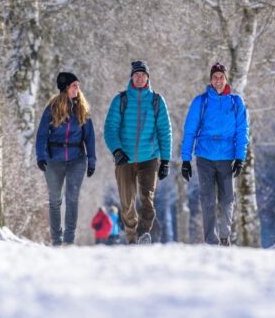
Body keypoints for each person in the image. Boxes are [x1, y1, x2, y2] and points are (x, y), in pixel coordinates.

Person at [180, 62, 249, 246]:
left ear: (226, 79)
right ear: (210, 80)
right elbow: (189, 131)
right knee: (208, 200)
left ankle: (225, 236)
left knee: (227, 200)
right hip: (205, 158)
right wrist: (185, 160)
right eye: (215, 77)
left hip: (227, 158)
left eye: (221, 77)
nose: (218, 81)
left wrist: (240, 158)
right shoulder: (200, 102)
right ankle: (211, 240)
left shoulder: (236, 102)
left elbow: (242, 131)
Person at [103, 61, 172, 244]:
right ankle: (132, 238)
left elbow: (164, 131)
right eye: (136, 75)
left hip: (149, 158)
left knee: (147, 202)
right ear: (132, 77)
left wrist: (165, 160)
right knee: (127, 204)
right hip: (124, 159)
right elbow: (110, 128)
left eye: (143, 75)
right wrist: (117, 150)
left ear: (148, 77)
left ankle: (143, 234)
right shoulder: (121, 100)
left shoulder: (157, 101)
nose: (140, 78)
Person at [35, 72, 96, 246]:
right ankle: (56, 240)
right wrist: (41, 156)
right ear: (65, 88)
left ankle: (68, 240)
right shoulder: (52, 108)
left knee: (72, 198)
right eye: (74, 85)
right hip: (54, 160)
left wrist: (91, 161)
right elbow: (41, 135)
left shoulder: (82, 109)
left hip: (77, 159)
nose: (77, 88)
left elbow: (89, 137)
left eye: (78, 84)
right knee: (55, 200)